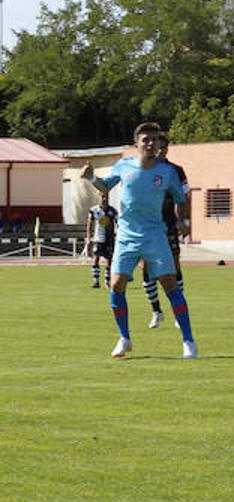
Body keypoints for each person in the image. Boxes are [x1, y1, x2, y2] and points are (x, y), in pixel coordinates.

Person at [81, 122, 197, 359]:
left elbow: (181, 197)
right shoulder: (124, 165)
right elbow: (105, 186)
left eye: (154, 139)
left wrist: (184, 222)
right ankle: (124, 338)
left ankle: (188, 341)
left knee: (170, 286)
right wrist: (92, 177)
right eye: (145, 139)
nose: (151, 143)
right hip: (126, 236)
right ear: (136, 144)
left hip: (155, 235)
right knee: (115, 285)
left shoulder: (167, 172)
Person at [143, 134, 189, 329]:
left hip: (168, 225)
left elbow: (184, 197)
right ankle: (156, 311)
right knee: (146, 268)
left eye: (162, 147)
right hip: (146, 226)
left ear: (167, 149)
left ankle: (179, 311)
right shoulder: (143, 169)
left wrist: (184, 221)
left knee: (174, 267)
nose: (158, 150)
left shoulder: (176, 171)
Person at [86, 190, 117, 289]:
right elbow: (89, 224)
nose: (104, 199)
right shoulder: (94, 210)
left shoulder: (112, 211)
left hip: (109, 239)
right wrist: (89, 237)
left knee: (109, 260)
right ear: (99, 197)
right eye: (102, 196)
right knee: (96, 259)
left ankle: (107, 281)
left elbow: (119, 223)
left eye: (106, 197)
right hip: (98, 238)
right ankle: (96, 281)